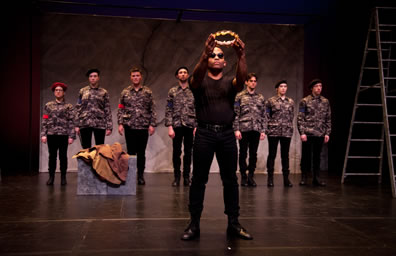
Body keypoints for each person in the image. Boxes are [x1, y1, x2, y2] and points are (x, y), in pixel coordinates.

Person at [181, 34, 253, 241]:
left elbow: (241, 81)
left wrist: (242, 56)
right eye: (213, 55)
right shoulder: (199, 83)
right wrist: (205, 53)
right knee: (198, 180)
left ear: (224, 61)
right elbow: (195, 76)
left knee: (230, 180)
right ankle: (194, 223)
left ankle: (233, 223)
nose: (216, 57)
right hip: (204, 134)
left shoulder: (231, 84)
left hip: (227, 135)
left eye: (219, 55)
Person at [118, 67, 157, 185]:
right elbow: (121, 108)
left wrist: (152, 124)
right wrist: (120, 123)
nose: (135, 77)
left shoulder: (147, 92)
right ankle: (130, 175)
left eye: (137, 75)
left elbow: (152, 109)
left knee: (141, 152)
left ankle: (140, 175)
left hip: (143, 126)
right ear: (130, 78)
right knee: (130, 153)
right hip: (129, 126)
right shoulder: (125, 92)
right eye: (133, 76)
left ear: (141, 77)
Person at [165, 66, 196, 187]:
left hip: (190, 125)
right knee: (176, 152)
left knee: (188, 152)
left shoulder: (193, 90)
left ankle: (187, 177)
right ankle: (177, 177)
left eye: (185, 72)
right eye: (180, 73)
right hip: (177, 125)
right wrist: (170, 127)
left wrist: (196, 126)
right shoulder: (172, 91)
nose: (182, 74)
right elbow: (169, 109)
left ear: (188, 75)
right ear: (177, 76)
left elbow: (197, 109)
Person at [233, 73, 266, 187]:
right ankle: (243, 176)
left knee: (253, 154)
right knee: (242, 153)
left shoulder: (260, 97)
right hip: (243, 129)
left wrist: (263, 130)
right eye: (251, 80)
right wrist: (236, 129)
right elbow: (236, 114)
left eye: (255, 81)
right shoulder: (239, 96)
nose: (253, 83)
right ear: (246, 82)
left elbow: (263, 115)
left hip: (256, 129)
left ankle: (251, 176)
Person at [297, 79, 331, 186]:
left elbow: (328, 118)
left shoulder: (325, 101)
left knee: (317, 156)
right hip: (308, 133)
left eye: (320, 86)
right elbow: (300, 118)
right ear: (312, 88)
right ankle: (304, 177)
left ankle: (316, 178)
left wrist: (327, 133)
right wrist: (302, 132)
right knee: (306, 156)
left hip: (320, 133)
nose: (319, 88)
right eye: (316, 86)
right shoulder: (305, 101)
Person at [41, 82, 75, 186]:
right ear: (54, 92)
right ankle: (51, 177)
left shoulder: (68, 106)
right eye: (56, 90)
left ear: (64, 92)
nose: (58, 92)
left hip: (64, 135)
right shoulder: (48, 105)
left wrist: (71, 136)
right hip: (52, 134)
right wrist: (43, 134)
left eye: (60, 90)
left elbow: (71, 121)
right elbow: (45, 120)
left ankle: (63, 177)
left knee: (63, 157)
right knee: (52, 157)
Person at [265, 80, 294, 187]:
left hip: (286, 132)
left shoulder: (290, 101)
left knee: (285, 156)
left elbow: (292, 116)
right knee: (272, 155)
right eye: (281, 86)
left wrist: (290, 128)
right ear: (277, 88)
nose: (283, 88)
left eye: (285, 86)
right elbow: (266, 117)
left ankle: (286, 179)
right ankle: (270, 179)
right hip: (273, 132)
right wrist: (267, 129)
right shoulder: (270, 101)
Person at [74, 68, 112, 149]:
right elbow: (78, 108)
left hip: (100, 123)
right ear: (89, 78)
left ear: (98, 78)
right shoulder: (82, 91)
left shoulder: (103, 92)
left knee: (100, 149)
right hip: (85, 123)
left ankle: (98, 162)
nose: (93, 78)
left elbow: (107, 109)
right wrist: (76, 125)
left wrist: (109, 126)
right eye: (91, 76)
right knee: (86, 149)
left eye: (95, 76)